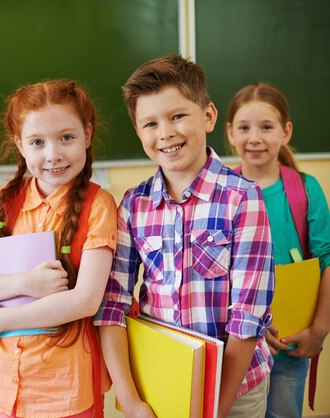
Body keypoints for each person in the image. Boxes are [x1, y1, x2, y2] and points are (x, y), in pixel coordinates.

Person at [95, 55, 275, 418]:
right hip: (161, 384)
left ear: (208, 116)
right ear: (139, 131)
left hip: (235, 390)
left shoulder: (242, 197)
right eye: (150, 123)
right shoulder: (133, 205)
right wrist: (131, 402)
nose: (166, 133)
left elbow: (247, 318)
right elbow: (112, 306)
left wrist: (215, 409)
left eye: (178, 116)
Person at [0, 79, 117, 418]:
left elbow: (85, 301)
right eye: (37, 142)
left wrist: (1, 318)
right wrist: (25, 283)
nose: (53, 154)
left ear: (87, 135)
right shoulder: (2, 201)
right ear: (20, 145)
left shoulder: (98, 205)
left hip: (63, 387)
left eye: (67, 138)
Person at [226, 82, 330, 418]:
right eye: (244, 128)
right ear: (229, 132)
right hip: (238, 351)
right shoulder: (223, 193)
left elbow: (327, 260)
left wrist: (319, 330)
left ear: (285, 132)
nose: (254, 138)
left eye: (266, 127)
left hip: (290, 346)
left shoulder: (305, 189)